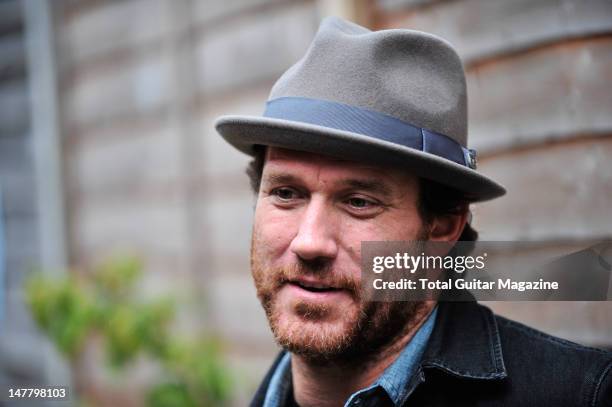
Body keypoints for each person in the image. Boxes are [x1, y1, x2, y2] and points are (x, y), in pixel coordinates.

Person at [215, 17, 612, 407]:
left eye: (359, 202)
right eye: (286, 193)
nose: (310, 242)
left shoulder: (583, 394)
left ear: (442, 225)